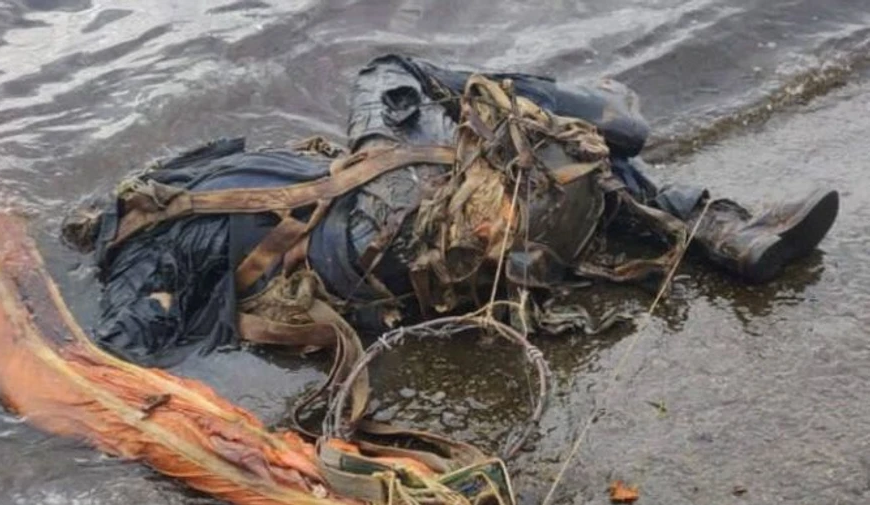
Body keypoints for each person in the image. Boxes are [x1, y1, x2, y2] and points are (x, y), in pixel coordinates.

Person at [62, 54, 839, 368]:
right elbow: (117, 354)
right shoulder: (144, 246)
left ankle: (715, 226)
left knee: (541, 150)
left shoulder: (178, 203)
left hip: (409, 241)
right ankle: (706, 215)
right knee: (400, 72)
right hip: (391, 224)